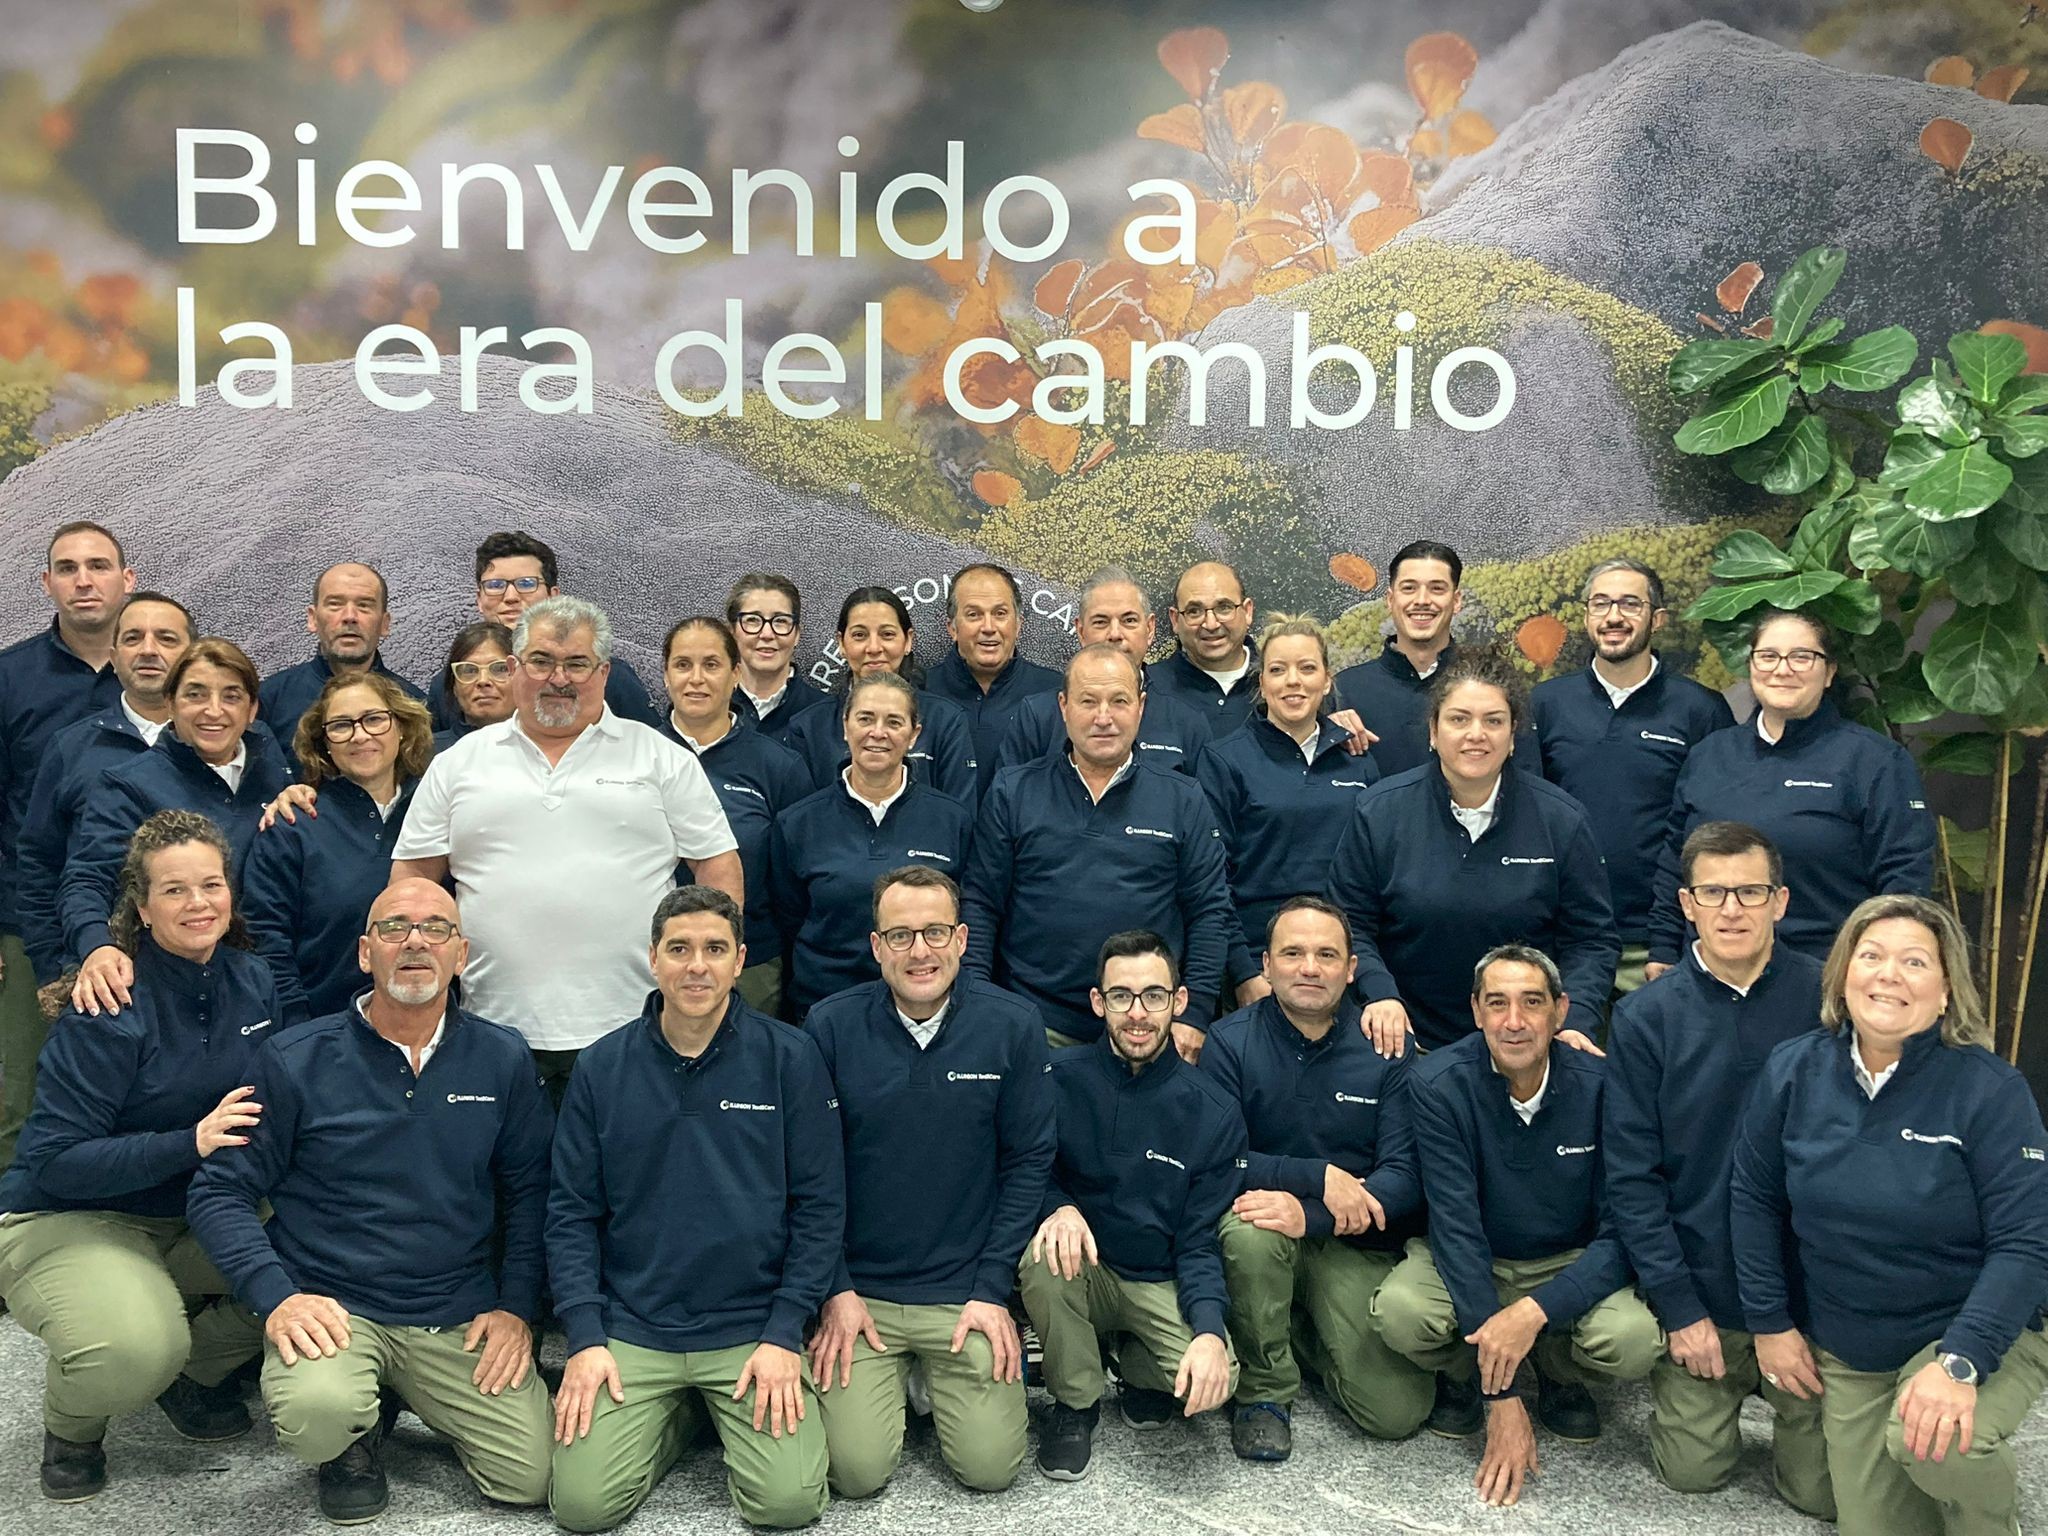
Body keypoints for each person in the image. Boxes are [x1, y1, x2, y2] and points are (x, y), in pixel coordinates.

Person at [186, 877, 555, 1525]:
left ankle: (391, 1394)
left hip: (454, 1310)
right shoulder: (295, 1059)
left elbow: (530, 1196)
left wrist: (516, 1307)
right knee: (317, 1417)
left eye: (436, 927)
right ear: (365, 953)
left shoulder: (502, 1058)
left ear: (461, 954)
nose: (415, 941)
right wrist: (278, 1296)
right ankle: (353, 1429)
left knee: (533, 1479)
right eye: (394, 928)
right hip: (335, 1307)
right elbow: (220, 1191)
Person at [1730, 894, 2048, 1536]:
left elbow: (2027, 1243)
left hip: (1969, 1329)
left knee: (1936, 1447)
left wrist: (1961, 1362)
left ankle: (1992, 1521)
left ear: (1947, 990)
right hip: (1852, 1345)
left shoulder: (1990, 1090)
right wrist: (1769, 1321)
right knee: (1859, 1519)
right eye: (1870, 956)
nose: (1888, 975)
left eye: (1914, 961)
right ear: (1843, 974)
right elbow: (1753, 1196)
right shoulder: (1793, 1069)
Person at [547, 886, 842, 1532]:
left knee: (787, 1505)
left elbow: (820, 1207)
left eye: (714, 949)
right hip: (635, 1329)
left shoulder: (789, 1059)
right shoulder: (602, 1068)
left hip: (750, 1328)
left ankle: (709, 1402)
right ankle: (684, 1414)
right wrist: (587, 1338)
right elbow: (570, 1214)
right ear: (653, 959)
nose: (696, 966)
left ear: (740, 960)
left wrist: (786, 1331)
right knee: (580, 1508)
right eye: (679, 949)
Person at [0, 811, 271, 1500]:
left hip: (196, 1208)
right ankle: (74, 1424)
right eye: (174, 891)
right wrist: (189, 1142)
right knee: (134, 1350)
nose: (198, 903)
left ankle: (196, 1367)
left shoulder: (253, 979)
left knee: (335, 1244)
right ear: (142, 909)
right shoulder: (110, 1003)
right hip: (76, 1216)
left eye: (210, 884)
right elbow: (56, 1160)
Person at [392, 596, 739, 1102]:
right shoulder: (458, 763)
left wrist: (708, 974)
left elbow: (717, 867)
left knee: (624, 1177)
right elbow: (412, 884)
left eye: (576, 663)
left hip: (636, 1025)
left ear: (603, 672)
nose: (559, 678)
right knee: (508, 1180)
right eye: (541, 661)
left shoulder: (661, 758)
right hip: (489, 1028)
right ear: (514, 668)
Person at [1372, 945, 1662, 1509]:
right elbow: (1455, 1227)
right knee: (1402, 1312)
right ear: (1476, 1011)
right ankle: (1466, 1369)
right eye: (1497, 1003)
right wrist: (1498, 1396)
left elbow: (1624, 1229)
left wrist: (1534, 1312)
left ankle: (1557, 1372)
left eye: (1532, 1003)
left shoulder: (1603, 1085)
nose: (1513, 1020)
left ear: (1561, 1011)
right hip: (1472, 1253)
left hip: (1564, 1260)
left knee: (1631, 1341)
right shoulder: (1436, 1084)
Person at [1603, 821, 1833, 1518]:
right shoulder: (1645, 1017)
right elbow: (1633, 1178)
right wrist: (1679, 1308)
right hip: (1703, 1291)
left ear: (1781, 901)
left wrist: (1807, 1316)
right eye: (1714, 892)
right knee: (1691, 1477)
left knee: (1820, 1497)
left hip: (1809, 1299)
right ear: (1687, 903)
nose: (1732, 908)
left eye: (1750, 891)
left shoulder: (1830, 1001)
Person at [804, 866, 1054, 1497]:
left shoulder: (1013, 1025)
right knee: (854, 1476)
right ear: (876, 946)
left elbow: (1027, 1161)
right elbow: (808, 1173)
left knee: (991, 1472)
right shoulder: (828, 1028)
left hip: (963, 1293)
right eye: (901, 935)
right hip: (863, 1300)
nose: (920, 951)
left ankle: (926, 1384)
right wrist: (835, 1289)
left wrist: (992, 1288)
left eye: (935, 932)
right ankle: (905, 1385)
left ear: (963, 939)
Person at [1200, 898, 1430, 1462]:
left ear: (1351, 968)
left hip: (1353, 1243)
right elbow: (1214, 1162)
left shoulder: (1387, 1048)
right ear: (1267, 964)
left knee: (1395, 1414)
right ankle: (1264, 1391)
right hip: (1264, 1231)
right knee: (1250, 1233)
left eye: (1327, 954)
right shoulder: (1229, 1042)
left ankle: (1296, 1328)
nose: (1309, 967)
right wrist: (1315, 1177)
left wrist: (1315, 1215)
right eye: (1293, 953)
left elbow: (1405, 1175)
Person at [1020, 931, 1245, 1481]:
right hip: (1084, 1270)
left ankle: (1140, 1368)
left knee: (1214, 1381)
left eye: (1153, 996)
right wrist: (1058, 1206)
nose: (1137, 1013)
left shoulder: (1213, 1111)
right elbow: (1026, 1172)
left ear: (1180, 1001)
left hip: (1158, 1278)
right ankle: (1076, 1404)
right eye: (1121, 996)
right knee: (1045, 1260)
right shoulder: (1056, 1080)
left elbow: (1197, 1241)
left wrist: (1212, 1331)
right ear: (1098, 1003)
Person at [1326, 647, 1618, 1056]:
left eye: (1493, 721)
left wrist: (1575, 1019)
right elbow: (1350, 924)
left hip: (1527, 1048)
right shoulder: (1379, 812)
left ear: (1513, 734)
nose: (1476, 734)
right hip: (1407, 1044)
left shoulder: (1562, 820)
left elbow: (1591, 940)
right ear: (1433, 731)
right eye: (1459, 719)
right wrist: (1380, 995)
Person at [963, 644, 1237, 1052]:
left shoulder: (1183, 798)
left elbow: (1209, 911)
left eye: (1119, 701)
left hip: (1150, 1027)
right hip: (1037, 1025)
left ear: (1141, 707)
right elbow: (982, 905)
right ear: (1064, 706)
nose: (1103, 717)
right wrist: (979, 1004)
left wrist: (1194, 1014)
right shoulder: (1013, 791)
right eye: (1088, 701)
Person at [1648, 608, 1934, 976]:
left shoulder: (1876, 761)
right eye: (1768, 656)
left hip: (1827, 978)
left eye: (1802, 657)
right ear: (1750, 666)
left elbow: (1904, 879)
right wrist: (1663, 948)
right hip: (1708, 978)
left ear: (1829, 672)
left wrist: (1872, 970)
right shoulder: (1708, 755)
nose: (1782, 669)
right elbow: (1675, 859)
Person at [12, 594, 193, 1146]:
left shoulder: (226, 744)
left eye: (167, 639)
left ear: (189, 654)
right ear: (112, 654)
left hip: (197, 970)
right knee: (47, 1111)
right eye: (133, 638)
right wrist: (51, 963)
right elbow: (39, 861)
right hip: (92, 967)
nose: (149, 651)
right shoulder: (72, 746)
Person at [1531, 559, 1734, 994]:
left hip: (1658, 943)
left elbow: (1714, 833)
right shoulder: (1545, 705)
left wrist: (1671, 940)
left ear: (1657, 619)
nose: (1614, 617)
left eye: (1630, 604)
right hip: (1563, 937)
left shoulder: (1701, 710)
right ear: (1586, 617)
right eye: (1601, 604)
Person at [59, 639, 291, 1018]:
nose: (213, 711)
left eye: (231, 696)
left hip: (269, 978)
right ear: (170, 705)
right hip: (171, 988)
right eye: (195, 695)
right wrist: (97, 947)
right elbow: (87, 878)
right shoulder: (128, 784)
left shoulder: (275, 769)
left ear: (252, 710)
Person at [0, 522, 132, 1167]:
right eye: (68, 568)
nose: (84, 580)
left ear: (126, 580)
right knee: (20, 1096)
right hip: (31, 922)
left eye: (99, 566)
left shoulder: (164, 680)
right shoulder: (9, 678)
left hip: (149, 925)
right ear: (48, 583)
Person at [1195, 618, 1380, 1000]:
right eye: (1278, 670)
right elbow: (1212, 882)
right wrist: (1245, 974)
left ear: (1327, 680)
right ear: (1262, 683)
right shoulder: (1225, 760)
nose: (1293, 681)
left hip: (1341, 968)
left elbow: (1373, 878)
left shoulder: (1357, 761)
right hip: (1259, 967)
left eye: (1307, 668)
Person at [770, 674, 974, 1020]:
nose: (878, 733)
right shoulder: (798, 822)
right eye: (865, 718)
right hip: (822, 1009)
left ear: (914, 735)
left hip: (924, 1009)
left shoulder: (952, 819)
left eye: (894, 722)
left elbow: (966, 912)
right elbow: (789, 918)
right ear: (845, 727)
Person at [242, 673, 434, 1024]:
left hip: (433, 1027)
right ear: (324, 743)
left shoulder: (438, 811)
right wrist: (298, 1030)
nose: (360, 735)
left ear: (402, 726)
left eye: (374, 719)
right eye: (342, 725)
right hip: (323, 1032)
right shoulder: (292, 827)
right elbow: (266, 940)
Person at [660, 615, 812, 1015]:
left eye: (711, 665)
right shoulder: (633, 756)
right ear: (665, 676)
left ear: (735, 675)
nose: (696, 678)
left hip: (753, 965)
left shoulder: (779, 766)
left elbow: (793, 883)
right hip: (647, 963)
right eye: (682, 664)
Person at [425, 530, 661, 729]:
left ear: (552, 596)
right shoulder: (452, 685)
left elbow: (652, 754)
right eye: (495, 585)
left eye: (526, 584)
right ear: (479, 599)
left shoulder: (607, 678)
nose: (511, 597)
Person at [995, 567, 1208, 776]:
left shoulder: (1186, 721)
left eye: (1129, 621)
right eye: (1100, 622)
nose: (1115, 634)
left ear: (1150, 629)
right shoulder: (1037, 717)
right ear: (1080, 631)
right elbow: (1009, 802)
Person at [782, 586, 979, 803]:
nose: (874, 647)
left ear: (908, 640)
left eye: (887, 634)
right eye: (859, 635)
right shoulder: (808, 727)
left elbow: (959, 818)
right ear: (841, 643)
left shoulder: (946, 720)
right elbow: (799, 822)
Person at [257, 561, 424, 772]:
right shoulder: (269, 701)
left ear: (384, 623)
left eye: (364, 605)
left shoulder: (415, 706)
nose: (350, 617)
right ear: (313, 618)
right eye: (335, 604)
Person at [924, 562, 1060, 794]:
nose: (988, 627)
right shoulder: (920, 692)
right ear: (952, 628)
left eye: (1000, 614)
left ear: (1018, 625)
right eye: (974, 614)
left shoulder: (1056, 693)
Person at [1147, 561, 1261, 736]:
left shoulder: (1281, 683)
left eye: (1224, 608)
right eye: (1194, 611)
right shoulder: (1149, 688)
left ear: (1247, 611)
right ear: (1175, 620)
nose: (1211, 624)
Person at [726, 571, 832, 745]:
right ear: (732, 632)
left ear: (797, 634)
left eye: (780, 621)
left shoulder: (825, 713)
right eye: (753, 620)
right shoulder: (710, 708)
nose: (767, 634)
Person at [433, 620, 515, 750]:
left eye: (500, 669)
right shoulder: (422, 755)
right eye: (469, 670)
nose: (483, 681)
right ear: (454, 686)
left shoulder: (547, 749)